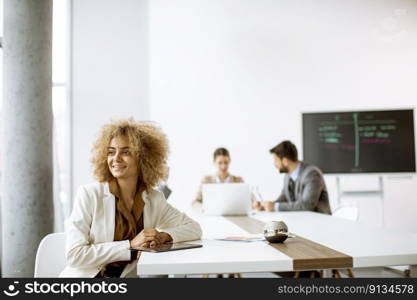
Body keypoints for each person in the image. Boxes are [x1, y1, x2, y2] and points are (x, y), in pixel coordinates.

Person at [60, 119, 202, 278]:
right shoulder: (89, 195)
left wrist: (163, 237)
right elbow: (74, 255)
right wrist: (130, 246)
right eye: (111, 152)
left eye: (126, 152)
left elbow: (194, 229)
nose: (116, 158)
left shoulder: (154, 199)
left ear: (143, 158)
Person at [255, 140, 331, 214]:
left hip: (319, 222)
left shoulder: (312, 174)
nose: (274, 164)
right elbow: (283, 198)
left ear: (285, 161)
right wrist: (265, 206)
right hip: (301, 221)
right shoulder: (288, 176)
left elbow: (307, 205)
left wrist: (275, 206)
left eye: (276, 160)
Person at [192, 147, 244, 212]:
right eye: (220, 163)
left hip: (235, 216)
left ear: (230, 161)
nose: (223, 166)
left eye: (226, 162)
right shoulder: (206, 181)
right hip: (213, 218)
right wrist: (203, 208)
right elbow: (195, 202)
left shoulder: (238, 181)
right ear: (214, 162)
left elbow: (248, 202)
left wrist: (256, 205)